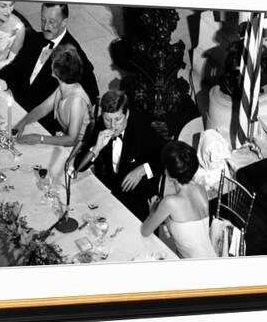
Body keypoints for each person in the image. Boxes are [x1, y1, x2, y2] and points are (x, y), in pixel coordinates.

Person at [0, 3, 99, 134]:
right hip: (15, 104)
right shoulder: (35, 38)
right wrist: (0, 80)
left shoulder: (74, 55)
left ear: (64, 22)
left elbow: (93, 92)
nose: (45, 27)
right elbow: (15, 66)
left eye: (52, 22)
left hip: (42, 123)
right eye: (43, 20)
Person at [74, 90, 164, 221]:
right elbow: (78, 166)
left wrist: (143, 169)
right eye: (107, 119)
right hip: (110, 190)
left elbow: (164, 158)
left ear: (126, 114)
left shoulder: (143, 128)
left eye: (118, 119)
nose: (112, 125)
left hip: (138, 196)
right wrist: (97, 148)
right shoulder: (100, 125)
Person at [141, 141, 217, 259]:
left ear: (167, 172)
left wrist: (152, 213)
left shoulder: (169, 203)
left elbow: (145, 231)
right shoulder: (201, 188)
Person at [14, 44, 92, 147]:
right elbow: (43, 109)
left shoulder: (77, 101)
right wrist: (23, 123)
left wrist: (40, 139)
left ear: (57, 71)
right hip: (64, 137)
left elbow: (72, 140)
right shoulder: (64, 87)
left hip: (77, 148)